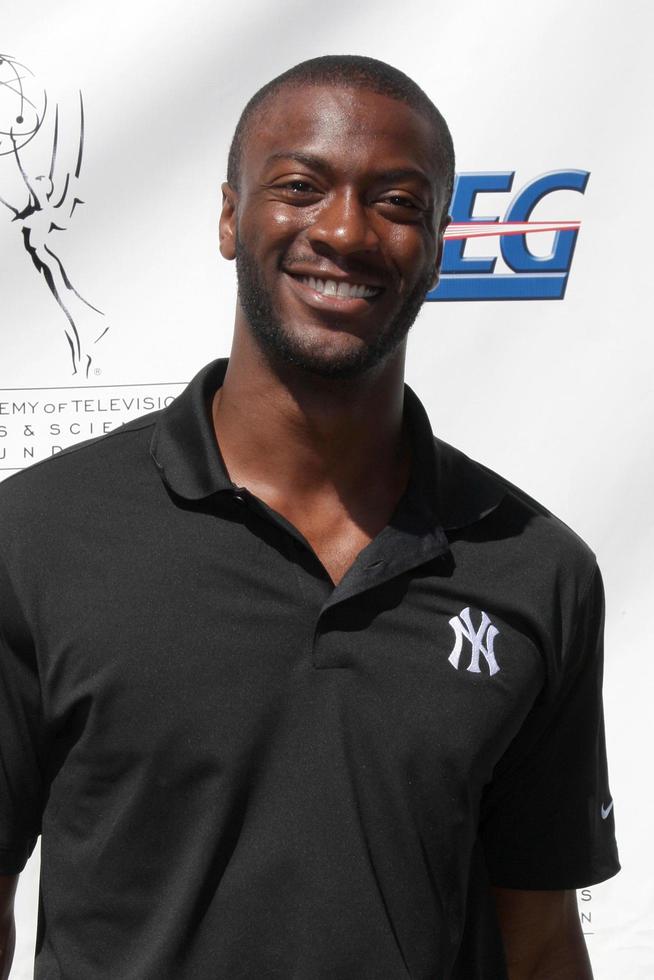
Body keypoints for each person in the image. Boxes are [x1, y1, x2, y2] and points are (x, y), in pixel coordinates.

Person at [0, 55, 619, 979]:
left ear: (442, 245)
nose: (344, 230)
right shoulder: (36, 535)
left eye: (399, 203)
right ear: (228, 217)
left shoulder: (534, 568)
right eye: (300, 187)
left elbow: (537, 939)